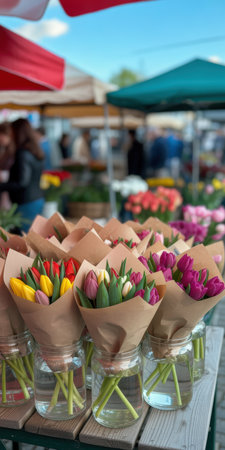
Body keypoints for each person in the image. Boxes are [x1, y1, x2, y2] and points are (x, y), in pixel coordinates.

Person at [0, 119, 45, 232]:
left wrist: (1, 186)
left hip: (26, 202)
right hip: (36, 199)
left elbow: (22, 182)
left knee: (23, 241)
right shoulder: (34, 150)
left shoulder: (22, 153)